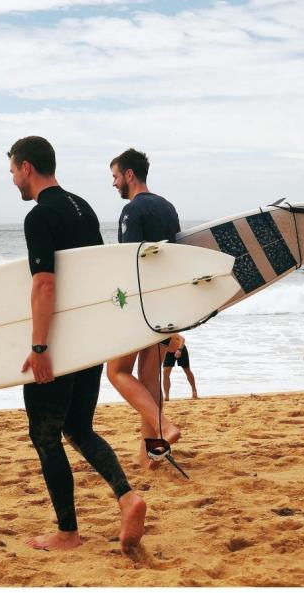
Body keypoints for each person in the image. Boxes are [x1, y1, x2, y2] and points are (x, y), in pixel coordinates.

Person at [8, 135, 146, 553]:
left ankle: (68, 532)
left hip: (60, 344)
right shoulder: (82, 206)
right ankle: (127, 497)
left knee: (45, 435)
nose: (13, 178)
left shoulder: (39, 216)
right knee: (78, 427)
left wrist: (40, 348)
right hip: (89, 338)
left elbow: (45, 283)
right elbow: (99, 274)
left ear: (27, 167)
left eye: (13, 170)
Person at [104, 148, 183, 469]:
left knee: (117, 371)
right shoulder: (168, 207)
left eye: (115, 176)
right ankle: (151, 454)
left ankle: (164, 428)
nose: (114, 184)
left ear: (129, 175)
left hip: (140, 304)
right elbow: (177, 258)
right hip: (165, 303)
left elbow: (129, 262)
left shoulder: (132, 211)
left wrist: (117, 305)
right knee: (148, 380)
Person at [159, 334, 198, 401]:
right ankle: (166, 396)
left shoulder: (169, 332)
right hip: (168, 353)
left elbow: (182, 339)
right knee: (165, 374)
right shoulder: (155, 337)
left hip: (180, 349)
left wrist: (179, 350)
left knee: (187, 370)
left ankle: (194, 391)